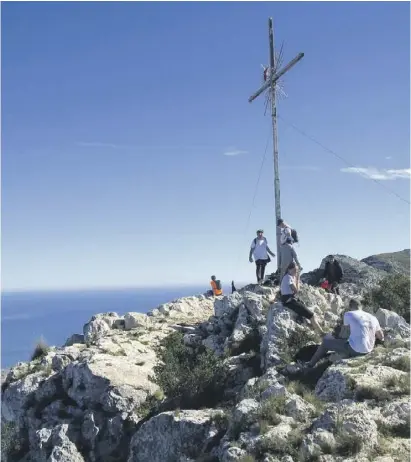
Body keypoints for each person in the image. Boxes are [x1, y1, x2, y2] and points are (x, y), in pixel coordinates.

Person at [307, 299, 384, 367]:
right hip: (369, 349)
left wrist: (334, 336)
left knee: (325, 342)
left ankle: (310, 365)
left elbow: (344, 335)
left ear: (350, 306)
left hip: (356, 350)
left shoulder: (349, 314)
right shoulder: (373, 317)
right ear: (361, 306)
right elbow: (381, 337)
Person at [280, 262, 324, 334]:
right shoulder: (288, 277)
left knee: (305, 311)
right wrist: (297, 279)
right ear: (289, 269)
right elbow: (296, 290)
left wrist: (296, 279)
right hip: (289, 301)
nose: (296, 272)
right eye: (294, 270)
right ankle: (322, 333)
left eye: (296, 271)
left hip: (289, 300)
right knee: (311, 315)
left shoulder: (288, 276)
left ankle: (314, 328)